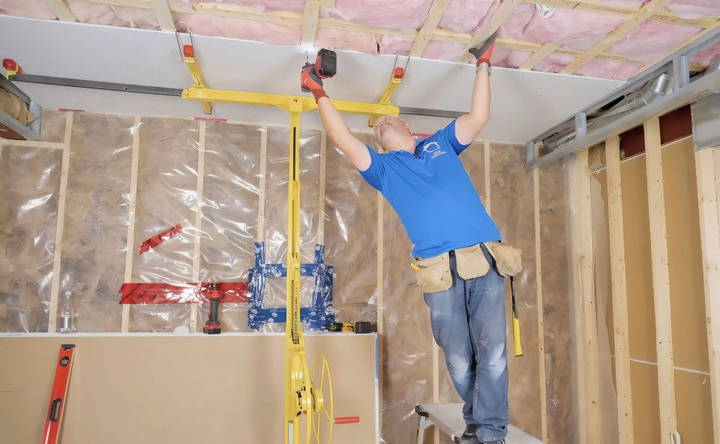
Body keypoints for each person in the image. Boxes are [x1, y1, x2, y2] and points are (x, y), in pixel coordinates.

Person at [301, 36, 507, 444]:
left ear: (410, 128)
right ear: (379, 142)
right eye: (376, 127)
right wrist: (318, 91)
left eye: (387, 120)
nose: (381, 121)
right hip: (438, 271)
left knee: (494, 355)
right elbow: (344, 139)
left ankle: (491, 434)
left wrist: (483, 64)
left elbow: (478, 115)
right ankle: (476, 426)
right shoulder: (382, 168)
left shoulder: (441, 144)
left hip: (483, 258)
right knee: (460, 358)